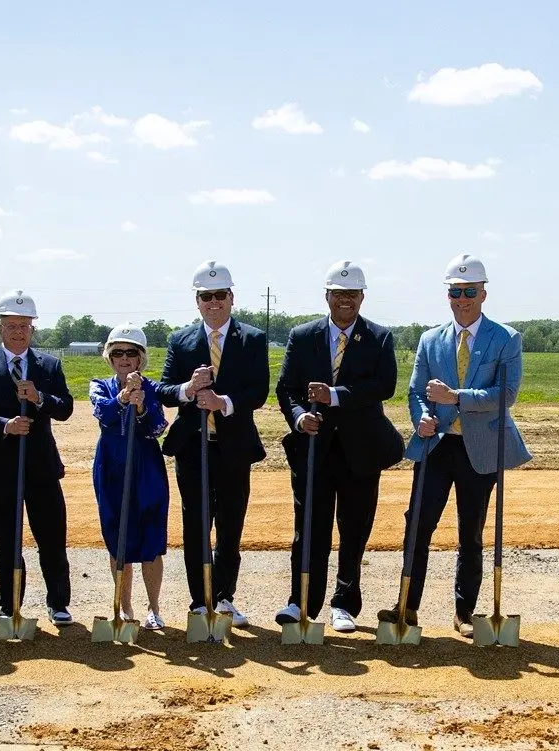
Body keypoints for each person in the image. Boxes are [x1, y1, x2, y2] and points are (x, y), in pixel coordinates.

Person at [378, 253, 532, 639]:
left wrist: (456, 397)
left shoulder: (506, 338)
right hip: (436, 447)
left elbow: (506, 394)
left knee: (471, 533)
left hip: (480, 449)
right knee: (417, 525)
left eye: (469, 291)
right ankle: (407, 606)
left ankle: (464, 612)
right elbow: (416, 391)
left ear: (483, 294)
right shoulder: (431, 339)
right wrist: (421, 418)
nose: (462, 299)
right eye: (454, 292)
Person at [273, 261, 405, 633]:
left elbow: (384, 386)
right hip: (313, 449)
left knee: (354, 530)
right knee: (309, 528)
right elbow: (286, 389)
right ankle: (301, 601)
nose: (345, 301)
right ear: (327, 297)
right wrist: (299, 417)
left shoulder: (379, 337)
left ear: (362, 297)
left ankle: (344, 604)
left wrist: (334, 396)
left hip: (360, 452)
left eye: (352, 294)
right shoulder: (303, 336)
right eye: (338, 294)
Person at [159, 261, 271, 628]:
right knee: (196, 524)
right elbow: (164, 390)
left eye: (220, 295)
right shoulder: (180, 340)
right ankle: (198, 600)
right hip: (194, 448)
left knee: (230, 525)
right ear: (197, 301)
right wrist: (189, 391)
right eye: (206, 297)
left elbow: (258, 390)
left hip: (234, 448)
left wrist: (223, 403)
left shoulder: (252, 339)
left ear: (231, 298)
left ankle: (223, 597)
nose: (213, 302)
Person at [0, 290, 76, 627]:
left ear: (33, 329)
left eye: (24, 326)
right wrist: (5, 426)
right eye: (11, 325)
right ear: (0, 327)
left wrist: (39, 397)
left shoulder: (49, 365)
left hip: (40, 464)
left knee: (52, 537)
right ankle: (9, 604)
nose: (18, 331)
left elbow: (66, 408)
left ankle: (58, 603)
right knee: (5, 541)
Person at [91, 323, 170, 631]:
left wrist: (140, 407)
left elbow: (157, 426)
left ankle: (154, 608)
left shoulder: (151, 388)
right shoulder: (100, 385)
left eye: (131, 353)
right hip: (112, 465)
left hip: (146, 466)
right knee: (117, 536)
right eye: (118, 353)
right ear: (109, 357)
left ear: (140, 358)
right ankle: (124, 609)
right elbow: (103, 413)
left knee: (151, 536)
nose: (124, 358)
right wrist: (123, 399)